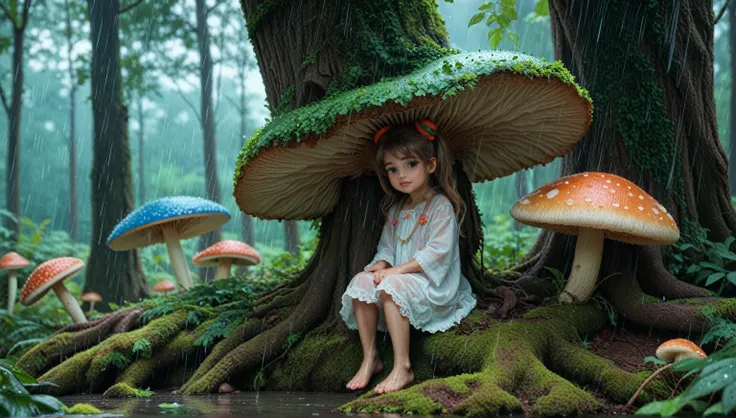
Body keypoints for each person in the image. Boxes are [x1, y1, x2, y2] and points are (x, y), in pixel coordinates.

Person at [340, 120, 477, 394]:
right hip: (402, 278)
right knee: (361, 282)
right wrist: (381, 264)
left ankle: (403, 366)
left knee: (391, 286)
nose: (402, 175)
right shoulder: (396, 209)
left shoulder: (440, 206)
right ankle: (371, 357)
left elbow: (438, 252)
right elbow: (387, 247)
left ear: (431, 165)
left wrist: (396, 272)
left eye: (410, 164)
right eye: (393, 169)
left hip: (432, 285)